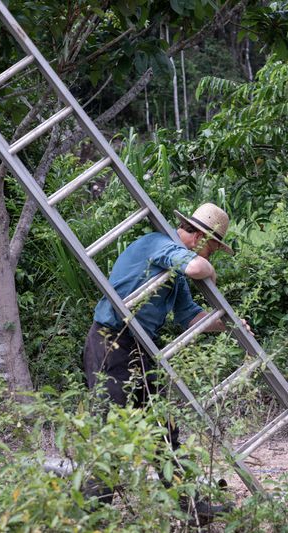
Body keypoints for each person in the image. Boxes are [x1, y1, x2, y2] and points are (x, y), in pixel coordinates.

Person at [83, 202, 239, 519]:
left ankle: (192, 509)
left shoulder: (176, 275)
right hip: (111, 341)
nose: (213, 255)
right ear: (200, 239)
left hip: (142, 347)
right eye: (214, 248)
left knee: (164, 431)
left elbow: (192, 317)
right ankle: (93, 518)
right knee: (112, 431)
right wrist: (209, 269)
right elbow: (197, 268)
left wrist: (231, 324)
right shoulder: (158, 243)